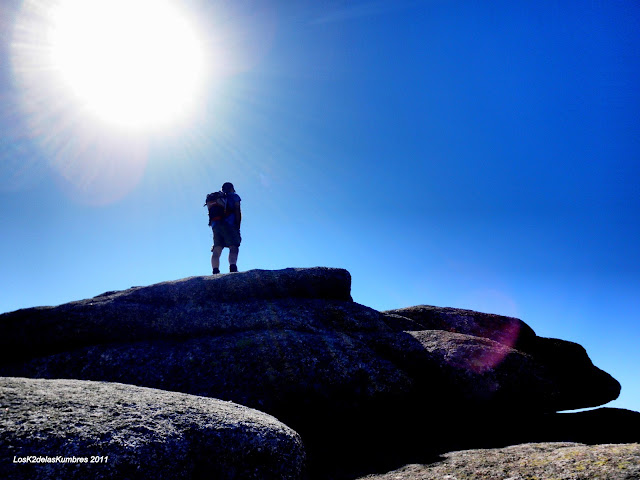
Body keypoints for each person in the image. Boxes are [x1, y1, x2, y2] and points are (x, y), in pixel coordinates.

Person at [206, 182, 241, 274]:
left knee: (217, 248)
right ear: (232, 189)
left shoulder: (217, 198)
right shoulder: (234, 196)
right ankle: (233, 268)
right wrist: (237, 225)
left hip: (215, 226)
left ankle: (215, 271)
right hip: (229, 224)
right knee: (233, 246)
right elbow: (237, 210)